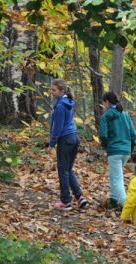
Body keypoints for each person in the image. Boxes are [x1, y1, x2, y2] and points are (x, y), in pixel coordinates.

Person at [48, 79, 88, 211]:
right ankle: (80, 197)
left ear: (62, 91)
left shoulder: (60, 106)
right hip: (74, 138)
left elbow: (57, 127)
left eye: (54, 90)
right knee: (68, 169)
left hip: (65, 139)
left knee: (62, 170)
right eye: (51, 89)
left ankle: (65, 201)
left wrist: (51, 143)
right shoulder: (68, 103)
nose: (51, 92)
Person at [99, 91, 136, 211]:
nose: (103, 105)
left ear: (107, 102)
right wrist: (130, 149)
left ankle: (126, 206)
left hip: (114, 151)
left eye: (103, 102)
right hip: (126, 151)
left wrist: (107, 147)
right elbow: (133, 135)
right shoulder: (125, 115)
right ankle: (115, 200)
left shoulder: (105, 117)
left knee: (117, 179)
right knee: (115, 176)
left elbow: (103, 135)